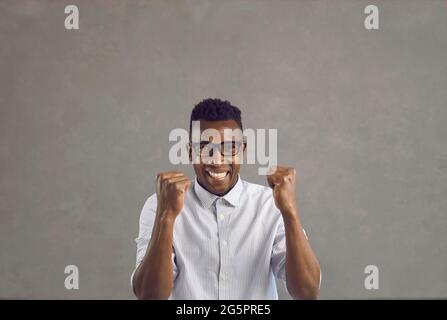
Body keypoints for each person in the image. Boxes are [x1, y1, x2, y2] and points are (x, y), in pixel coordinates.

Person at [131, 98, 321, 299]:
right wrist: (166, 217)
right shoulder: (159, 205)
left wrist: (289, 212)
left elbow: (307, 292)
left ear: (242, 150)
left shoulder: (270, 204)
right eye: (204, 147)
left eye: (229, 147)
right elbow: (148, 296)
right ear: (189, 152)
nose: (217, 159)